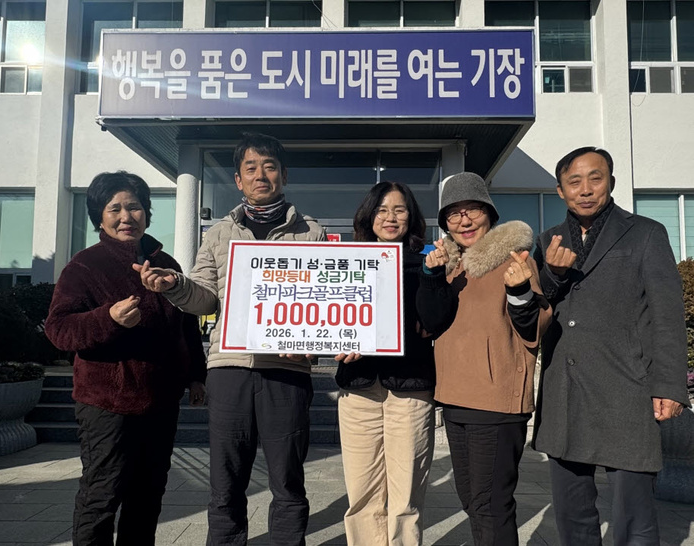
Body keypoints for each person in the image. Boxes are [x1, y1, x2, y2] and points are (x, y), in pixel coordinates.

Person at [133, 132, 327, 546]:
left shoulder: (311, 231)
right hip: (229, 368)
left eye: (269, 167)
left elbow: (323, 302)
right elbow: (205, 296)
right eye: (250, 168)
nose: (261, 175)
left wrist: (314, 345)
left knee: (288, 482)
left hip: (287, 371)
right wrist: (174, 285)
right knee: (225, 483)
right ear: (238, 180)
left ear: (284, 174)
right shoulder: (220, 233)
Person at [532, 146, 690, 546]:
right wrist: (552, 273)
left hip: (627, 389)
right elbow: (537, 309)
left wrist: (669, 386)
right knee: (573, 515)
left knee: (635, 516)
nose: (585, 189)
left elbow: (667, 315)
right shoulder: (548, 240)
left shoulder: (646, 233)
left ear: (611, 182)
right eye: (574, 182)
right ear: (561, 191)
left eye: (595, 178)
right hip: (566, 390)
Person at [45, 171, 207, 546]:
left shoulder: (165, 263)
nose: (125, 216)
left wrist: (196, 376)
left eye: (134, 207)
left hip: (161, 402)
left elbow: (186, 327)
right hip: (106, 404)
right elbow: (59, 329)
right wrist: (108, 319)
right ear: (99, 217)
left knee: (148, 496)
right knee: (101, 495)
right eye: (114, 208)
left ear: (146, 213)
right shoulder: (84, 267)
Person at [416, 172, 551, 546]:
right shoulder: (450, 265)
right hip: (454, 398)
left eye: (472, 209)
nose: (464, 220)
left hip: (495, 401)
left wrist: (520, 291)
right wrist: (432, 276)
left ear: (489, 213)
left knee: (490, 506)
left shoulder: (516, 260)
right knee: (474, 503)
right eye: (453, 213)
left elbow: (535, 326)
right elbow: (432, 322)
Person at [334, 182, 435, 546]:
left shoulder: (427, 262)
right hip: (358, 386)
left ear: (412, 216)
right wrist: (334, 341)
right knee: (362, 492)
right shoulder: (345, 262)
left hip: (410, 387)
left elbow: (435, 319)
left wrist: (433, 279)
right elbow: (330, 318)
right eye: (382, 210)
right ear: (369, 216)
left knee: (405, 495)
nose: (390, 218)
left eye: (399, 209)